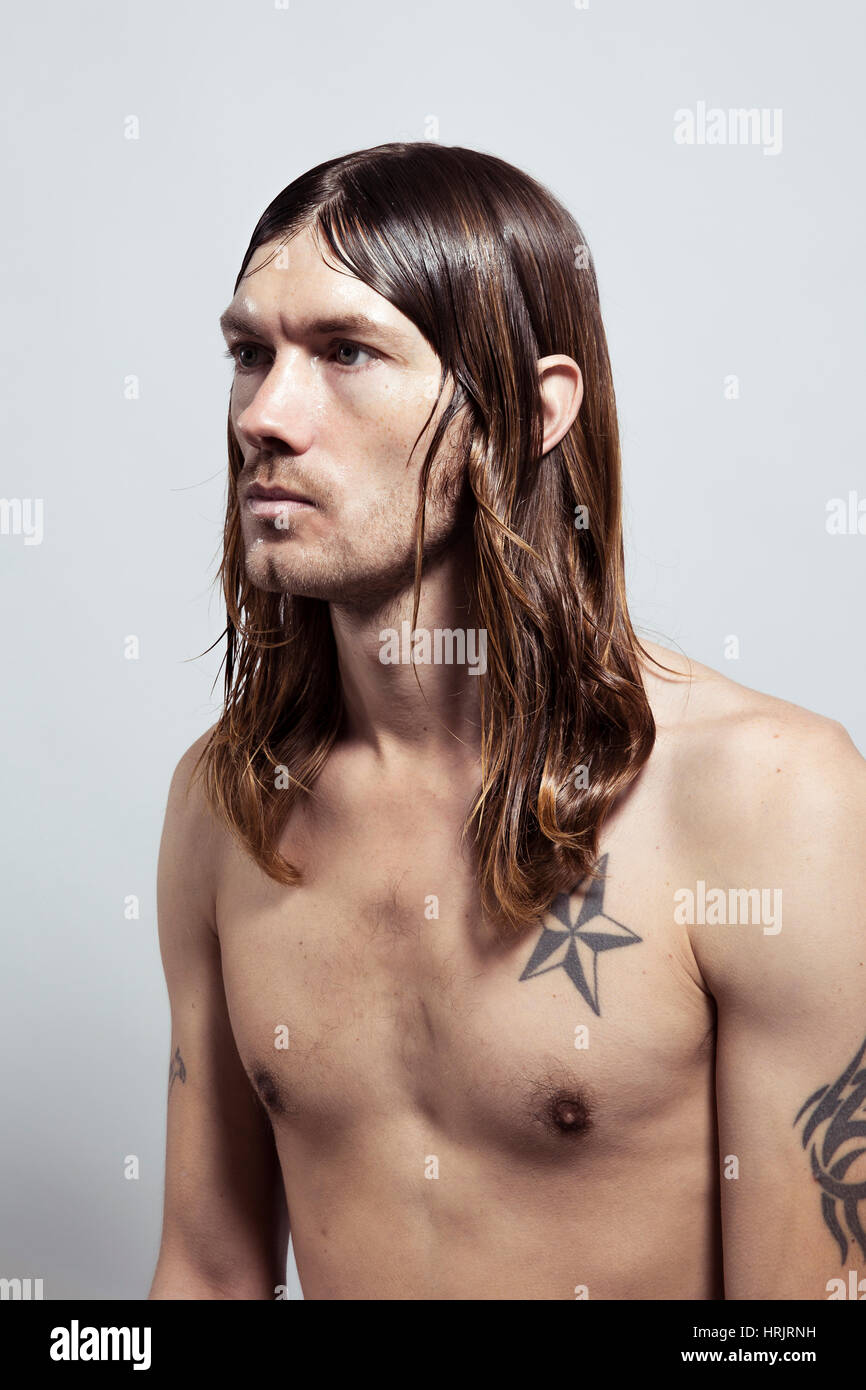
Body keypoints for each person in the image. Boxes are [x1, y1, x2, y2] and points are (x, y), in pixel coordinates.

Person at [149, 143, 866, 1301]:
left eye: (344, 352)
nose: (264, 417)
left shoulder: (769, 799)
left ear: (530, 411)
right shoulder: (226, 802)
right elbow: (207, 1273)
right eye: (249, 355)